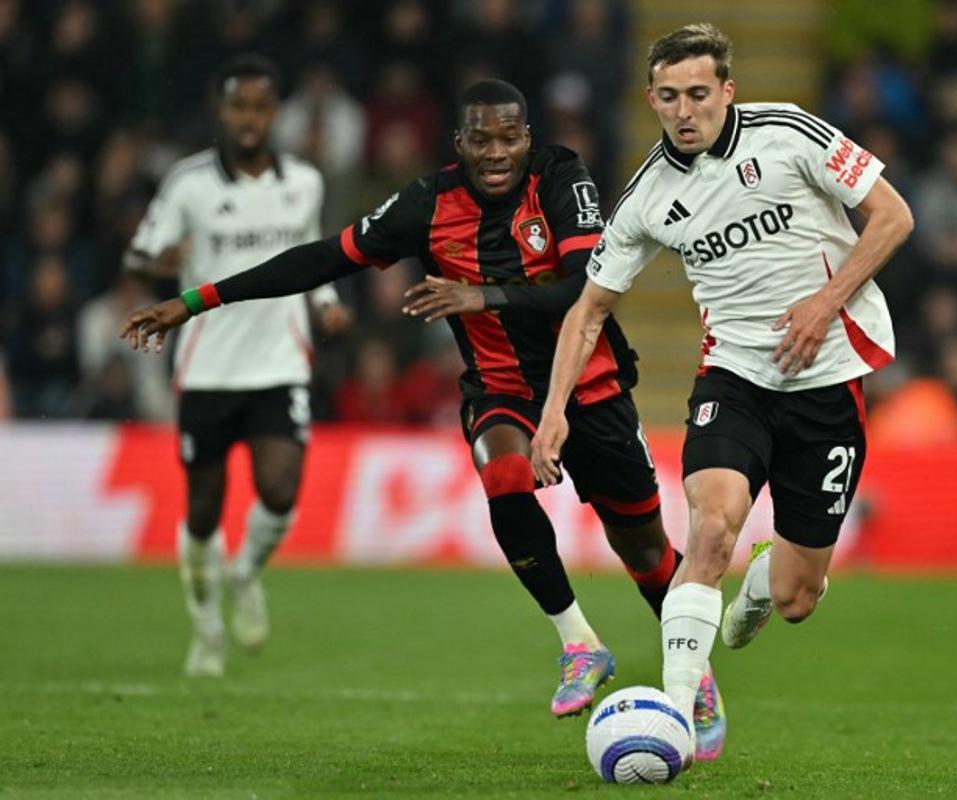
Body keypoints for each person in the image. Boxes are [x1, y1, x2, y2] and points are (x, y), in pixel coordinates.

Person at [120, 79, 728, 759]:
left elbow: (586, 290)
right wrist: (198, 299)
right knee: (501, 471)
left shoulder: (560, 176)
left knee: (643, 549)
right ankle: (579, 643)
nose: (497, 152)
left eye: (509, 137)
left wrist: (481, 295)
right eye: (481, 139)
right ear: (459, 144)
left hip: (591, 386)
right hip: (499, 387)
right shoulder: (427, 203)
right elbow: (325, 257)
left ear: (527, 137)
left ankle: (694, 672)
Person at [530, 23, 914, 747]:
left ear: (726, 91)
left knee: (801, 599)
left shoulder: (789, 134)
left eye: (699, 94)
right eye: (669, 97)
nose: (685, 111)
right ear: (650, 99)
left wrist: (825, 305)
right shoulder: (646, 196)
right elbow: (589, 310)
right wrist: (553, 412)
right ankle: (680, 709)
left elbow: (894, 217)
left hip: (828, 386)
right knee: (709, 531)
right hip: (733, 380)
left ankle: (768, 580)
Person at [123, 55, 352, 678]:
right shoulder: (188, 183)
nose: (249, 119)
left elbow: (311, 255)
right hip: (207, 368)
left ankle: (246, 572)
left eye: (259, 107)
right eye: (238, 107)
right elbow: (140, 256)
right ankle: (205, 630)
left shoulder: (303, 181)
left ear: (274, 113)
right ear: (221, 112)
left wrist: (327, 302)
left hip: (279, 362)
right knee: (203, 509)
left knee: (280, 491)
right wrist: (158, 266)